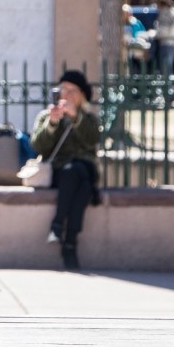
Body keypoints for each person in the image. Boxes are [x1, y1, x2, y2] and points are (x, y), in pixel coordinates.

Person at [29, 70, 101, 270]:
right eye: (63, 90)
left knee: (77, 170)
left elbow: (92, 139)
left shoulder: (88, 118)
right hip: (60, 171)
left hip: (84, 166)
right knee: (82, 182)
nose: (67, 95)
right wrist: (52, 123)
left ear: (81, 96)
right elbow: (38, 146)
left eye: (72, 90)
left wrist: (75, 117)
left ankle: (57, 225)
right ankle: (70, 243)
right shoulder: (46, 116)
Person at [153, 0, 174, 76]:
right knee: (168, 64)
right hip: (173, 41)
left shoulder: (166, 14)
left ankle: (167, 84)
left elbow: (163, 29)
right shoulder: (173, 12)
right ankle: (168, 83)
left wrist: (156, 34)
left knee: (165, 65)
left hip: (166, 41)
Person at [122, 4, 149, 74]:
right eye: (124, 13)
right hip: (125, 50)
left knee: (137, 67)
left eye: (127, 13)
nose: (126, 15)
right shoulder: (121, 24)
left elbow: (142, 34)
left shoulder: (136, 23)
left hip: (137, 49)